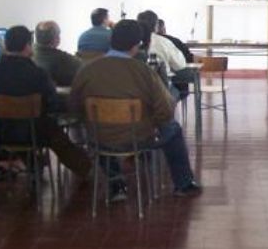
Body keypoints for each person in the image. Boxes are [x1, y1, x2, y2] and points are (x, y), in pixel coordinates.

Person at [70, 20, 201, 198]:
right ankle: (183, 184)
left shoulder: (87, 70)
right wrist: (153, 123)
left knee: (101, 131)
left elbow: (74, 106)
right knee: (172, 128)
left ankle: (116, 184)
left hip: (98, 138)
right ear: (136, 46)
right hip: (138, 137)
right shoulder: (144, 72)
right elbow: (166, 109)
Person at [0, 26, 91, 178]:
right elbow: (51, 103)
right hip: (33, 132)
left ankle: (33, 163)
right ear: (28, 46)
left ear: (5, 45)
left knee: (28, 125)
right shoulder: (37, 73)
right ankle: (86, 169)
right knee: (54, 131)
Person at [33, 21, 83, 87]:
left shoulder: (27, 55)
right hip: (57, 95)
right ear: (56, 39)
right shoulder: (63, 58)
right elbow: (83, 68)